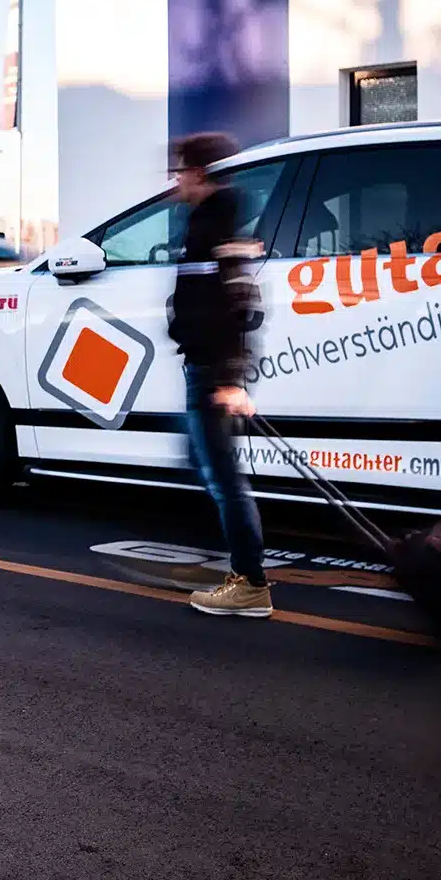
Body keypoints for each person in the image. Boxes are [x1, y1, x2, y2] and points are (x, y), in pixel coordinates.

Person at [166, 131, 273, 618]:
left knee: (223, 476)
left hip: (212, 369)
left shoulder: (218, 227)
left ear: (201, 174)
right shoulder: (204, 223)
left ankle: (250, 581)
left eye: (181, 171)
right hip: (202, 364)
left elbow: (238, 303)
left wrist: (232, 379)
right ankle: (233, 561)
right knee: (201, 461)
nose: (176, 181)